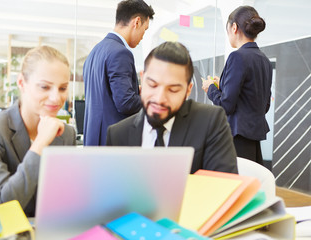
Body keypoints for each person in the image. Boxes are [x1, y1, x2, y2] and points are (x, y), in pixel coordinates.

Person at [0, 46, 76, 217]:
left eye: (63, 88)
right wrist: (41, 143)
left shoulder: (66, 134)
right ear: (21, 83)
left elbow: (67, 196)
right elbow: (2, 204)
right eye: (45, 87)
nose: (56, 98)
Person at [107, 42, 238, 174]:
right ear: (142, 78)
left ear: (188, 90)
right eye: (152, 85)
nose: (159, 99)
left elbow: (224, 187)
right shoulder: (118, 135)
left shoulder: (210, 122)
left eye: (173, 90)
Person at [202, 6, 272, 166]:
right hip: (254, 137)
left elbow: (226, 105)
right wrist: (222, 85)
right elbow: (264, 104)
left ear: (234, 27)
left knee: (235, 185)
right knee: (250, 185)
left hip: (237, 136)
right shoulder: (264, 60)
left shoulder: (237, 57)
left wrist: (210, 88)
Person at [83, 0, 154, 146]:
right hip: (112, 143)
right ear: (137, 22)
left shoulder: (95, 51)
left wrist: (136, 91)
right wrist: (152, 97)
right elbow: (126, 103)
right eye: (145, 30)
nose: (142, 36)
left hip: (93, 140)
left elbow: (106, 95)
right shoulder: (121, 53)